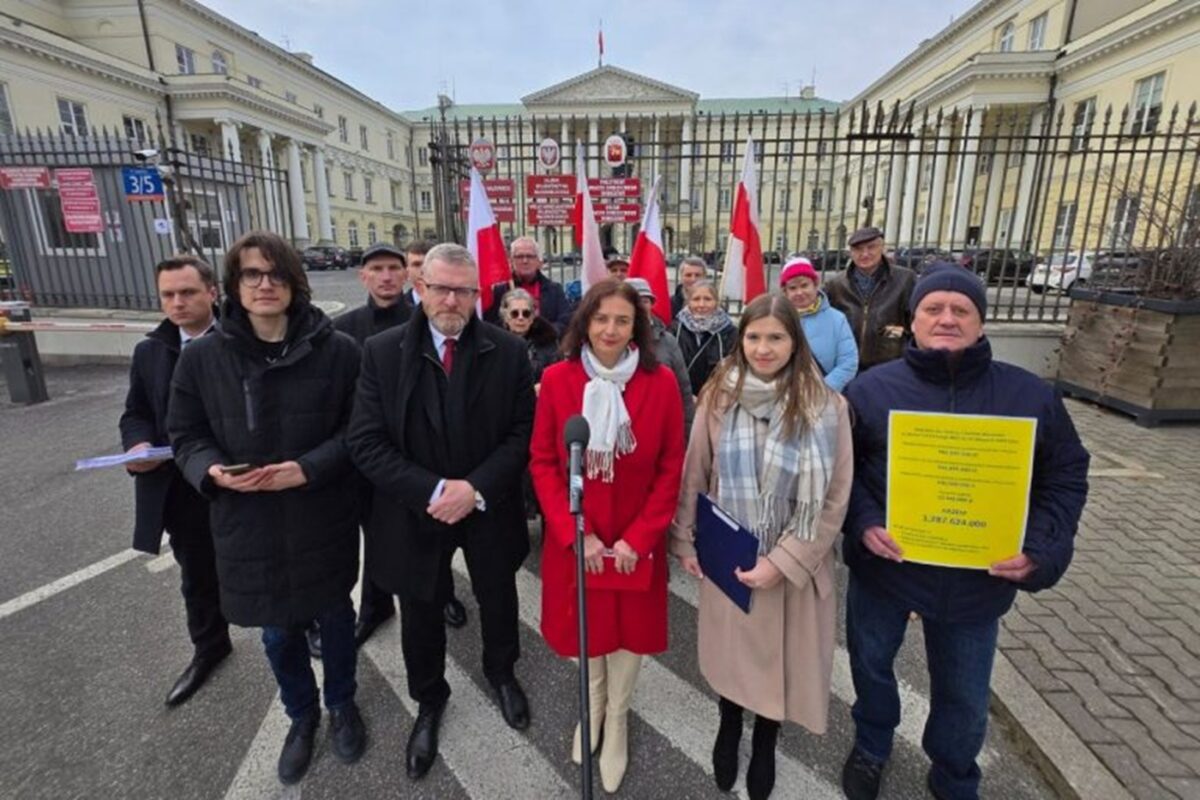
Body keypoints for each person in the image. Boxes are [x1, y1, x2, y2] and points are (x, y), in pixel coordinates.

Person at [839, 265, 1089, 800]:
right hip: (888, 570)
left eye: (961, 310)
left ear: (981, 323)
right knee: (872, 667)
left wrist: (1043, 551)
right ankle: (872, 746)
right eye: (934, 308)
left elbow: (1065, 475)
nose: (946, 319)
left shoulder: (1027, 396)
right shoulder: (870, 390)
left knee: (966, 696)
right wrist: (862, 524)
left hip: (978, 580)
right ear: (913, 320)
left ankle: (953, 774)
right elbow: (842, 474)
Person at [168, 232, 366, 785]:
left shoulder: (339, 352)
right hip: (246, 520)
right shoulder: (204, 358)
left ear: (294, 283)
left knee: (335, 618)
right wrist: (209, 469)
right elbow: (185, 434)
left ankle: (343, 704)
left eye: (276, 274)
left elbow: (360, 430)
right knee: (277, 633)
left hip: (319, 513)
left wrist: (309, 468)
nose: (264, 284)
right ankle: (301, 717)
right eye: (252, 274)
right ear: (233, 285)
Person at [347, 243, 535, 781]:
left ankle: (502, 672)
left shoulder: (505, 350)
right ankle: (429, 700)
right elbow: (366, 442)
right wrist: (433, 491)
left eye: (464, 290)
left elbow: (522, 434)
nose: (452, 299)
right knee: (421, 611)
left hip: (487, 507)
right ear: (420, 288)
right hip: (413, 510)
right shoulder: (381, 353)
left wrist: (473, 488)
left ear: (478, 294)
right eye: (441, 288)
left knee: (498, 595)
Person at [670, 294, 852, 800]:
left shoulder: (826, 405)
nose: (764, 348)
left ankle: (767, 739)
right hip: (732, 552)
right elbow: (696, 472)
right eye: (754, 337)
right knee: (732, 659)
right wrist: (685, 539)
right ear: (740, 339)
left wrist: (784, 560)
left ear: (795, 341)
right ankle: (729, 724)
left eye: (776, 337)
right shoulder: (719, 395)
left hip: (793, 561)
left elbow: (835, 497)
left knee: (780, 667)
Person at [529, 279, 685, 793]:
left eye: (622, 320)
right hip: (580, 537)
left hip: (635, 539)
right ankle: (591, 703)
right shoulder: (557, 379)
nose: (611, 330)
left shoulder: (659, 382)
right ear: (585, 324)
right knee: (587, 627)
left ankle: (617, 716)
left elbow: (670, 468)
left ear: (636, 326)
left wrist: (639, 539)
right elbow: (545, 462)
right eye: (601, 320)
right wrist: (579, 536)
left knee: (629, 632)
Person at [332, 242, 468, 644]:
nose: (387, 276)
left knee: (433, 539)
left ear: (412, 277)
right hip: (368, 455)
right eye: (377, 268)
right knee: (376, 537)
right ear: (364, 276)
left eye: (395, 267)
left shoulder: (425, 319)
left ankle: (440, 595)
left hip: (418, 461)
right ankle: (375, 607)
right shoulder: (345, 329)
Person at [119, 254, 231, 707]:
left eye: (188, 292)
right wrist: (137, 445)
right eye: (169, 294)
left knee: (274, 562)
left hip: (239, 480)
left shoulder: (240, 340)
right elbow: (136, 412)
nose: (178, 302)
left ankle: (304, 630)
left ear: (212, 293)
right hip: (179, 485)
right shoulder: (151, 351)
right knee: (197, 573)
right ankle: (209, 647)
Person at [825, 226, 917, 371]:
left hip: (891, 366)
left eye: (871, 247)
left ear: (882, 248)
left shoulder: (905, 280)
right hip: (847, 367)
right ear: (850, 253)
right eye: (858, 249)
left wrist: (890, 334)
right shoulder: (836, 285)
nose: (865, 254)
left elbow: (915, 323)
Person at [626, 277, 694, 435]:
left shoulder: (667, 341)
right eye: (633, 301)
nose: (639, 307)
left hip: (659, 426)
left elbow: (683, 389)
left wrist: (686, 432)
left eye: (644, 301)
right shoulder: (611, 341)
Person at [779, 257, 858, 391]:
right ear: (785, 292)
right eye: (792, 288)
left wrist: (821, 390)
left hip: (826, 395)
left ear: (815, 285)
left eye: (804, 285)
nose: (799, 292)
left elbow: (848, 362)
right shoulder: (777, 319)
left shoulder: (837, 319)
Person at [485, 236, 572, 332]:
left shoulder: (554, 290)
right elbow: (490, 323)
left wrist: (544, 334)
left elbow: (565, 322)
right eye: (519, 257)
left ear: (539, 261)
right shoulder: (500, 291)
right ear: (511, 261)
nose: (525, 261)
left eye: (530, 256)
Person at [669, 278, 736, 397]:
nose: (701, 304)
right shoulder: (675, 329)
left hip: (717, 397)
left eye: (707, 299)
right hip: (681, 396)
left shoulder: (729, 332)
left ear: (716, 301)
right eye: (696, 299)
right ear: (688, 302)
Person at [498, 287, 561, 389]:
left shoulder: (549, 341)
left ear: (532, 318)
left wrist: (543, 386)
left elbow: (557, 376)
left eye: (526, 313)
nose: (521, 317)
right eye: (515, 313)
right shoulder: (495, 343)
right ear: (505, 317)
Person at [403, 240, 430, 308]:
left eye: (428, 264)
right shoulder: (397, 309)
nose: (423, 270)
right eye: (417, 265)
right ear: (407, 272)